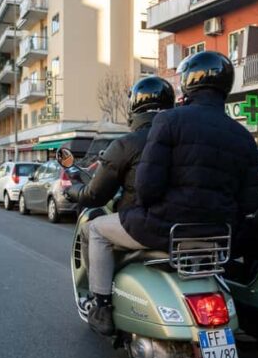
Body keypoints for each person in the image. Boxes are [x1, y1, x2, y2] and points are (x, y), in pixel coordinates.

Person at [86, 51, 258, 335]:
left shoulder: (169, 122)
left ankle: (102, 305)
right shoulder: (243, 135)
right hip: (219, 236)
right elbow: (250, 201)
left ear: (189, 83)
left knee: (96, 229)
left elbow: (147, 185)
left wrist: (143, 207)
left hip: (167, 229)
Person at [64, 76, 176, 335]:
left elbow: (95, 196)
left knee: (94, 230)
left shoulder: (128, 143)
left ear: (134, 107)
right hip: (188, 225)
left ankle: (101, 304)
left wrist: (73, 192)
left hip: (149, 223)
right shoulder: (183, 140)